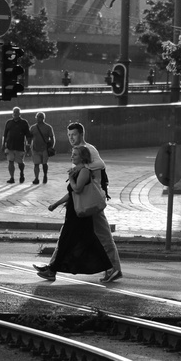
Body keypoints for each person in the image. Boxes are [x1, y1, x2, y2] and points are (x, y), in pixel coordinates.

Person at [35, 146, 111, 282]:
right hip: (74, 213)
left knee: (67, 241)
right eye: (72, 154)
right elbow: (71, 193)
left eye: (75, 155)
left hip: (79, 215)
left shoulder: (84, 171)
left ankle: (52, 270)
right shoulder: (77, 171)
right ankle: (108, 267)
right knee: (86, 241)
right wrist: (56, 204)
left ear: (82, 157)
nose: (72, 157)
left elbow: (77, 188)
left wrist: (70, 178)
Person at [65, 121, 122, 283]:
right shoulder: (79, 151)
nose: (71, 138)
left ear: (81, 134)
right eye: (69, 135)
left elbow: (100, 165)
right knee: (72, 232)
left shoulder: (89, 149)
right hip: (85, 200)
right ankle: (53, 266)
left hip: (92, 200)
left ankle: (114, 268)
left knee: (102, 234)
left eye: (74, 134)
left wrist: (81, 167)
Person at [1, 106, 31, 184]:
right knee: (10, 161)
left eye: (17, 112)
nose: (15, 114)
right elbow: (5, 134)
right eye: (14, 112)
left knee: (20, 163)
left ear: (19, 114)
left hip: (20, 147)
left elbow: (28, 135)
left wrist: (28, 144)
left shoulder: (24, 123)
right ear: (12, 114)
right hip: (10, 146)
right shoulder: (9, 122)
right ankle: (12, 177)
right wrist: (3, 144)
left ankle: (21, 173)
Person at [28, 111, 55, 185]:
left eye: (40, 117)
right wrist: (28, 146)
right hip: (35, 149)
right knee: (36, 164)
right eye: (38, 117)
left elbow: (52, 138)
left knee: (44, 164)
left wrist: (51, 147)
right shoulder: (33, 128)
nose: (39, 119)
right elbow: (29, 138)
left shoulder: (48, 127)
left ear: (43, 118)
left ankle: (45, 175)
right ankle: (36, 178)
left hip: (45, 149)